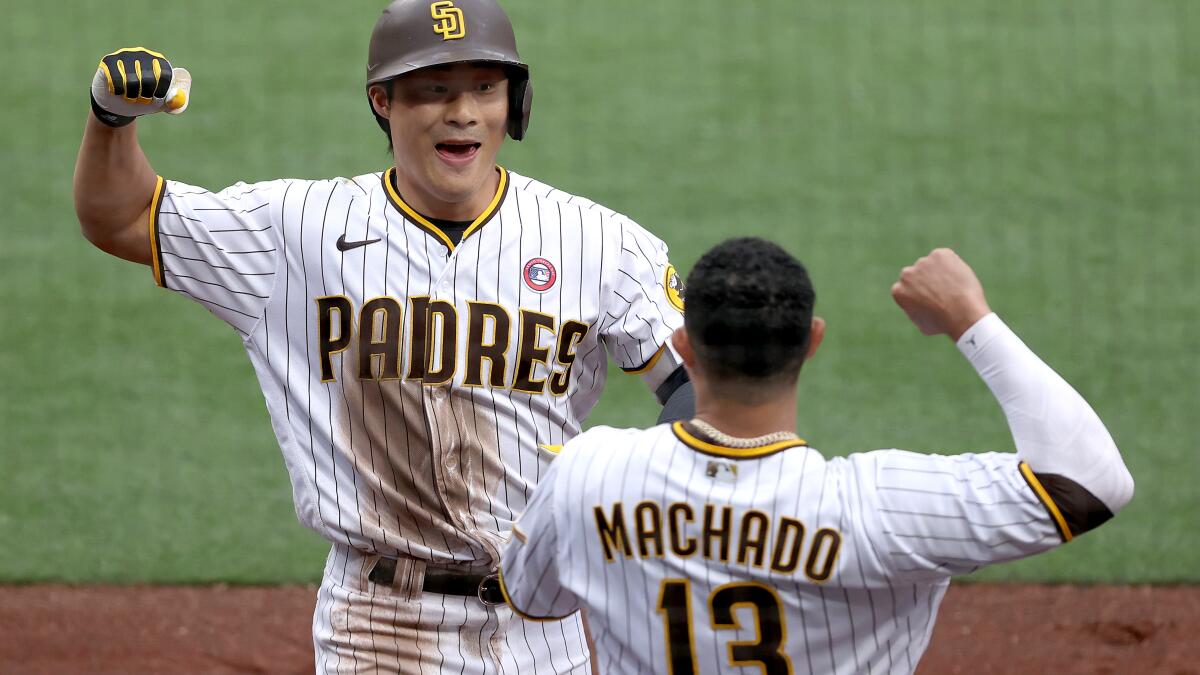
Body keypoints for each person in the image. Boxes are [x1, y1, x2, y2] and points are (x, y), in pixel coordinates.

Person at [73, 1, 695, 672]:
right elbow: (124, 216)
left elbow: (694, 387)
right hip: (379, 624)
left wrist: (653, 487)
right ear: (383, 100)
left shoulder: (597, 241)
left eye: (484, 87)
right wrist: (112, 121)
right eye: (434, 89)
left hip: (543, 623)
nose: (462, 111)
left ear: (513, 103)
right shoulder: (296, 229)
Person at [500, 240, 1134, 675]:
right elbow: (1092, 482)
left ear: (683, 345)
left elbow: (533, 599)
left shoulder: (591, 472)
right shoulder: (880, 507)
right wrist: (973, 319)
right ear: (812, 342)